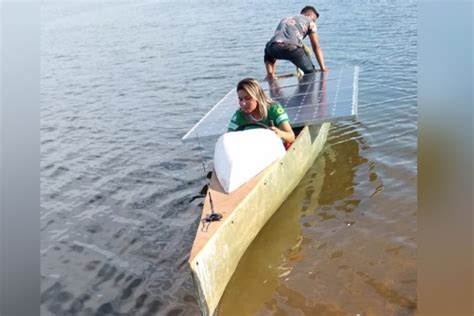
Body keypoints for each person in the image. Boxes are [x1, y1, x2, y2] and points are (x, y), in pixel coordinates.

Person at [264, 5, 327, 80]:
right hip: (292, 49)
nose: (314, 21)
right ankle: (306, 88)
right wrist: (323, 68)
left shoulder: (286, 18)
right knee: (310, 73)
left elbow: (281, 38)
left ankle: (270, 74)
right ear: (308, 14)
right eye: (314, 19)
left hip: (273, 48)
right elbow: (316, 46)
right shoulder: (309, 21)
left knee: (268, 46)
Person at [228, 78, 295, 144]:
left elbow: (291, 137)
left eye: (247, 98)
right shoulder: (239, 115)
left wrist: (280, 133)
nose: (243, 103)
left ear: (258, 97)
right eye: (240, 99)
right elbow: (229, 140)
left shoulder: (274, 109)